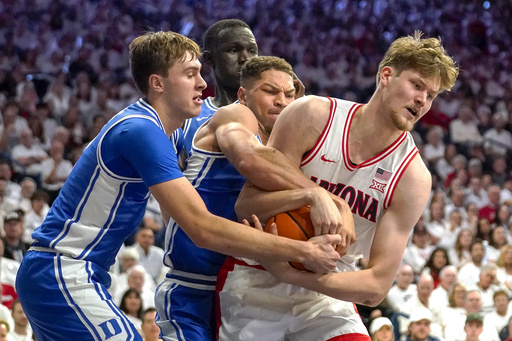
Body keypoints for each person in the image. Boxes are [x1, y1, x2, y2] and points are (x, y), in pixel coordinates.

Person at [15, 31, 341, 341]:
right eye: (190, 74)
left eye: (201, 72)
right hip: (63, 269)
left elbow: (178, 216)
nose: (203, 83)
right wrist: (301, 249)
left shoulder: (159, 131)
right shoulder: (141, 131)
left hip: (76, 271)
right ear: (157, 83)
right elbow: (201, 228)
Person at [217, 31, 459, 340]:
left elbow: (375, 288)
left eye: (432, 95)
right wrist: (314, 199)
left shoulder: (413, 177)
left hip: (327, 293)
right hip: (257, 274)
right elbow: (246, 206)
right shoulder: (312, 115)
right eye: (416, 85)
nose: (423, 100)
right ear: (386, 75)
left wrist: (290, 273)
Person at [156, 55, 349, 341]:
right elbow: (248, 158)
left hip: (243, 286)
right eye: (270, 91)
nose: (281, 101)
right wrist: (323, 196)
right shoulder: (236, 115)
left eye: (289, 94)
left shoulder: (287, 144)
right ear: (243, 95)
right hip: (194, 284)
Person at [181, 19, 258, 157]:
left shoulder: (274, 113)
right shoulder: (187, 118)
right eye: (234, 50)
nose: (245, 59)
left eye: (252, 51)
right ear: (209, 59)